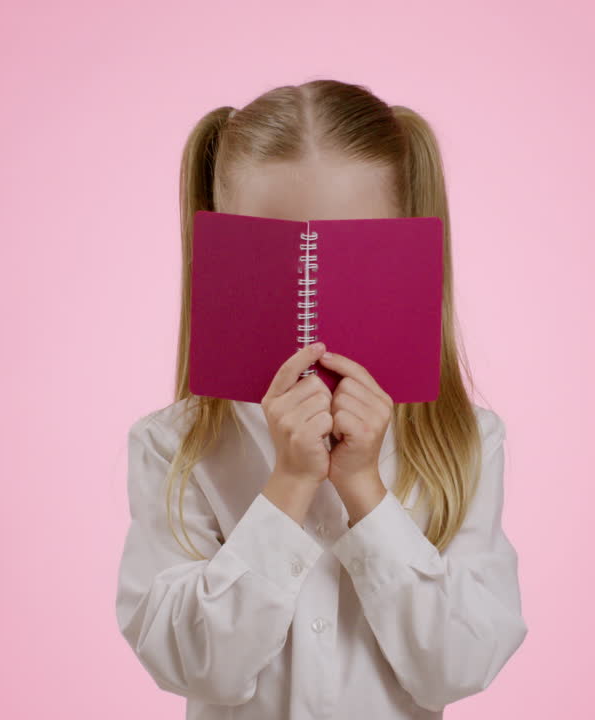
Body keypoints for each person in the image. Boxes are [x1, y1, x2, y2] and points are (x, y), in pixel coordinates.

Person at [116, 79, 528, 719]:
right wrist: (288, 485)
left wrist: (364, 487)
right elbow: (188, 664)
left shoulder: (467, 441)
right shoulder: (173, 445)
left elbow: (460, 665)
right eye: (275, 253)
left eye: (351, 251)